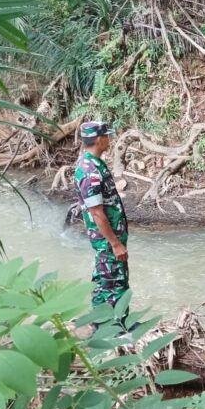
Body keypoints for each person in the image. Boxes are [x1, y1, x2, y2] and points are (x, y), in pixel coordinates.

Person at [74, 121, 130, 309]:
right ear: (99, 140)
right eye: (107, 136)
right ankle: (119, 327)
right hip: (107, 240)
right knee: (115, 283)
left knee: (103, 281)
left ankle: (99, 322)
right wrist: (115, 243)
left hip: (108, 239)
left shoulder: (93, 163)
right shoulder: (90, 171)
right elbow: (97, 213)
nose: (110, 139)